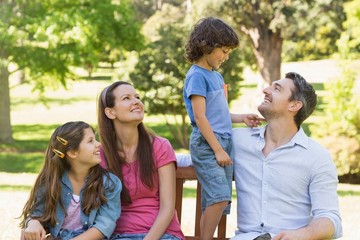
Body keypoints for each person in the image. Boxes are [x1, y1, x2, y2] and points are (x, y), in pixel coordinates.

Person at [232, 72, 343, 240]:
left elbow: (331, 219)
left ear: (294, 105)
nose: (266, 90)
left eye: (276, 89)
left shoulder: (316, 157)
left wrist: (303, 234)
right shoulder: (239, 140)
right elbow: (199, 159)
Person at [183, 16, 263, 240]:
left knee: (218, 200)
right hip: (209, 144)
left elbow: (217, 115)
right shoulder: (197, 76)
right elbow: (200, 118)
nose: (226, 57)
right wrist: (218, 149)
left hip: (222, 141)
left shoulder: (215, 76)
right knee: (219, 198)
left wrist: (241, 118)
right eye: (224, 51)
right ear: (206, 45)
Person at [98, 81, 185, 240]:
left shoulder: (160, 147)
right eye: (126, 98)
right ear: (110, 112)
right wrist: (36, 220)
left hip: (162, 235)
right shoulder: (100, 155)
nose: (136, 101)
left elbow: (167, 208)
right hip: (118, 235)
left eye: (137, 97)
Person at [19, 121, 122, 240]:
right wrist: (33, 223)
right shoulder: (51, 182)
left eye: (95, 139)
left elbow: (104, 225)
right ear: (72, 153)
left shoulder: (110, 183)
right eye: (90, 141)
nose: (98, 144)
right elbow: (37, 213)